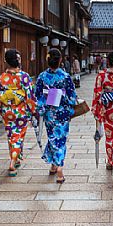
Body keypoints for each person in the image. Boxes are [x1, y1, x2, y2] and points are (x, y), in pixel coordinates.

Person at [34, 48, 77, 183]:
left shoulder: (42, 77)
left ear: (47, 60)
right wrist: (69, 101)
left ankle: (53, 165)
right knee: (60, 140)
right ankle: (59, 169)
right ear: (60, 60)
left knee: (53, 137)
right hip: (62, 113)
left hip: (49, 113)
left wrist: (43, 105)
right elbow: (72, 96)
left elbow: (38, 96)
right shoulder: (65, 77)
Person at [0, 49, 36, 177]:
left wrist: (0, 106)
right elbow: (30, 95)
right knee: (18, 136)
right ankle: (12, 163)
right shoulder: (24, 76)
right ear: (17, 61)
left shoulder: (2, 77)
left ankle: (16, 157)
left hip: (7, 111)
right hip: (20, 111)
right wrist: (33, 111)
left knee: (11, 134)